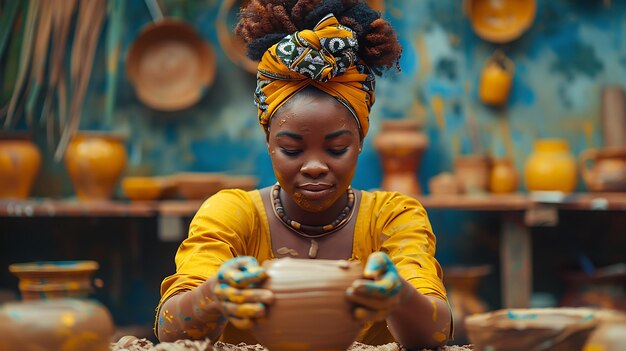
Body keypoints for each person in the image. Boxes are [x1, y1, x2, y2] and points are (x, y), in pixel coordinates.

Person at [155, 0, 452, 348]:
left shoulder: (394, 218)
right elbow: (168, 330)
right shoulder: (232, 215)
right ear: (269, 143)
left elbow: (438, 331)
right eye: (293, 150)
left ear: (360, 142)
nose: (314, 166)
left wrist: (398, 295)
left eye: (337, 148)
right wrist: (213, 294)